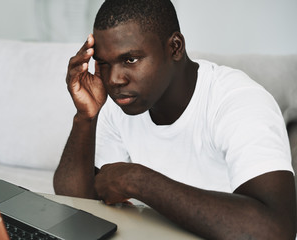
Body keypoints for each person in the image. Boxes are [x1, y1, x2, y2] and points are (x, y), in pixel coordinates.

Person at [53, 0, 297, 239]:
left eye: (130, 59)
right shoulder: (122, 103)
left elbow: (276, 230)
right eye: (104, 63)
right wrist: (85, 117)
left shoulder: (238, 101)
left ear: (175, 47)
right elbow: (73, 201)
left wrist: (138, 181)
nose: (114, 79)